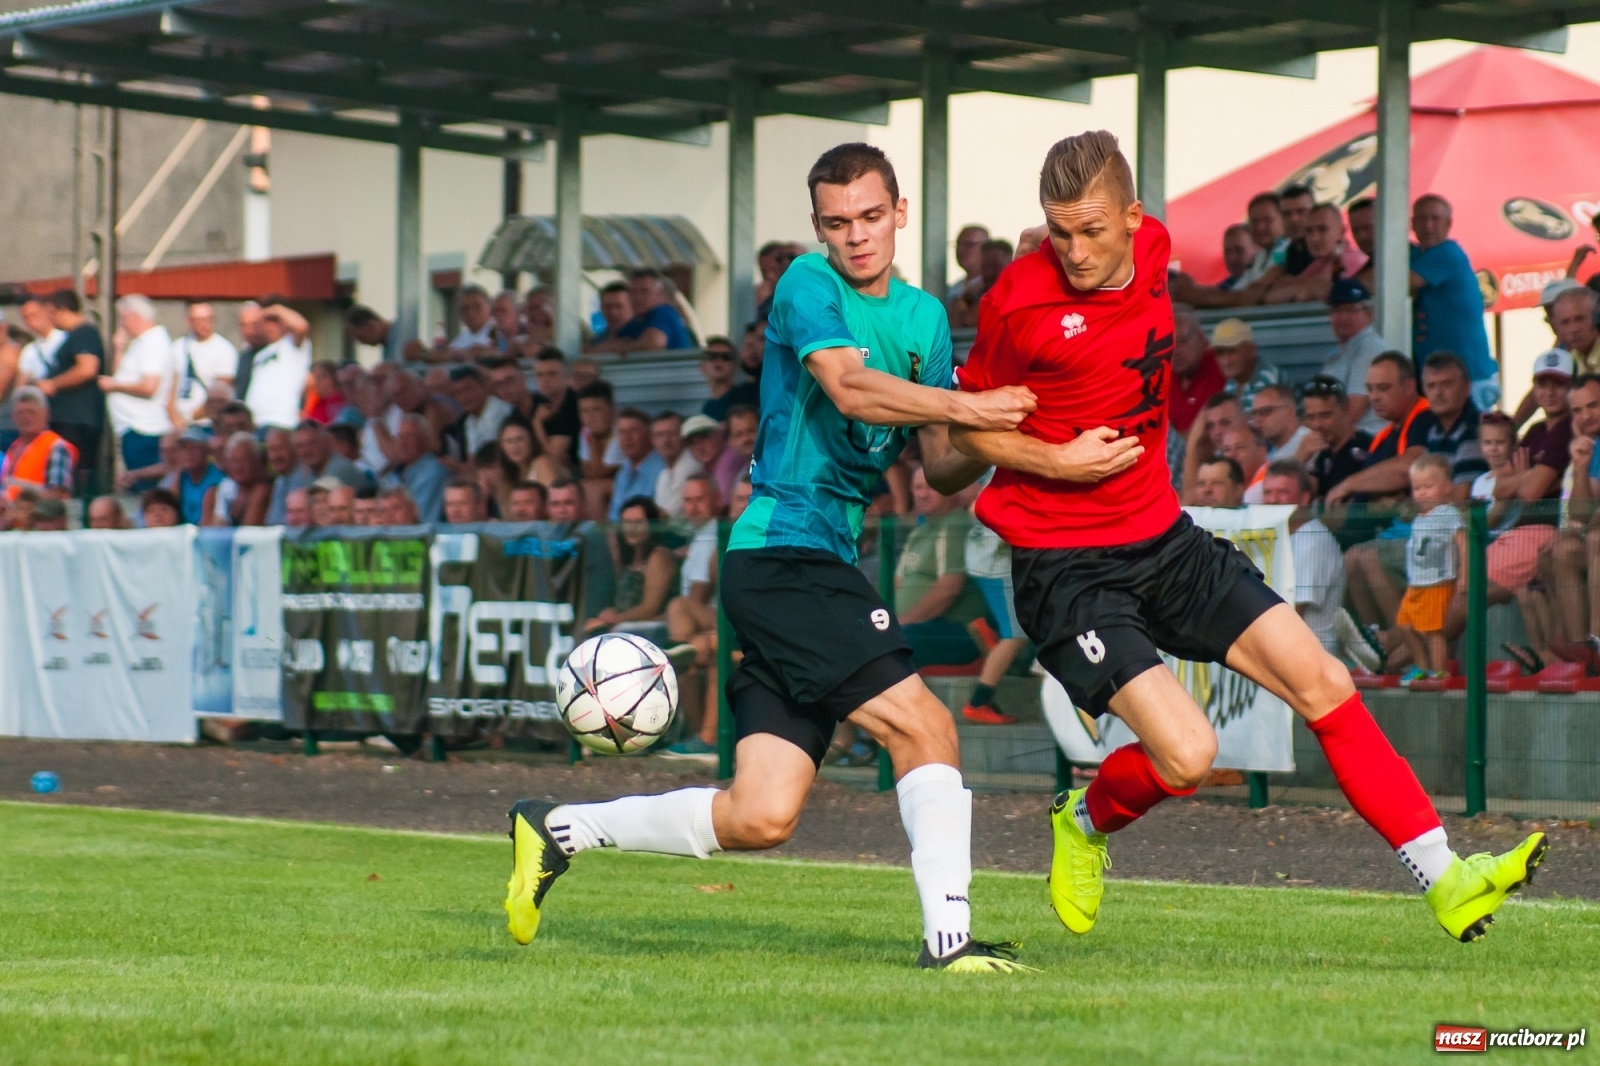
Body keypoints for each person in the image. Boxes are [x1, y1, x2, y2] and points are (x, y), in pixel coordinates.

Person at [946, 129, 1543, 945]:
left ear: (1134, 219)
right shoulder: (1019, 299)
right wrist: (1056, 456)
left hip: (1165, 539)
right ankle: (1083, 821)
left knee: (1325, 681)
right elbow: (962, 435)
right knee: (1190, 756)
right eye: (1058, 231)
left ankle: (1448, 878)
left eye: (1091, 230)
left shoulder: (1155, 251)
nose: (1075, 251)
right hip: (1066, 564)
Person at [504, 142, 1034, 973]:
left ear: (900, 213)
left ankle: (559, 828)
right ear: (818, 228)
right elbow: (850, 387)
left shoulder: (927, 318)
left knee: (761, 814)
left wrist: (994, 436)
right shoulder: (807, 285)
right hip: (782, 551)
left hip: (814, 560)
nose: (855, 235)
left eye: (869, 216)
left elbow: (938, 464)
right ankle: (949, 942)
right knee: (926, 726)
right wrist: (971, 401)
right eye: (836, 222)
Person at [894, 466, 991, 668]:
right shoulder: (919, 532)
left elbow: (949, 589)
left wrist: (899, 624)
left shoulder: (957, 524)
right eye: (917, 487)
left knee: (896, 643)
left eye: (931, 488)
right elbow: (896, 584)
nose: (922, 494)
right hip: (917, 627)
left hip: (958, 630)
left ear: (951, 489)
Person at [658, 474, 727, 760]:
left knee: (679, 608)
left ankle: (702, 737)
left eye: (700, 500)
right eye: (688, 500)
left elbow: (698, 596)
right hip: (717, 623)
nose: (693, 507)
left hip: (728, 623)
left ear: (715, 501)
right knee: (686, 648)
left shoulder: (715, 533)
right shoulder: (701, 535)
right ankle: (699, 737)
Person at [1260, 460, 1356, 663]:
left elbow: (1293, 613)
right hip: (1285, 652)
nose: (1273, 500)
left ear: (1304, 499)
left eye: (1282, 492)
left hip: (1312, 659)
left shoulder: (1311, 540)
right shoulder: (1278, 535)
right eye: (1267, 493)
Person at [1409, 195, 1498, 410]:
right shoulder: (1418, 255)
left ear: (1449, 224)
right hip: (1443, 380)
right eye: (1422, 219)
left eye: (1435, 219)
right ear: (1412, 224)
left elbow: (1394, 285)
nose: (1428, 225)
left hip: (1469, 378)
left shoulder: (1447, 253)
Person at [1394, 454, 1465, 685]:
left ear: (1446, 488)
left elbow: (1464, 545)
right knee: (1404, 625)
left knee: (1434, 630)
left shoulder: (1449, 514)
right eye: (1417, 488)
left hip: (1438, 581)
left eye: (1428, 486)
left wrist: (1464, 576)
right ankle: (1421, 666)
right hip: (1417, 583)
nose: (1422, 493)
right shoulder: (1419, 518)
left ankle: (1439, 671)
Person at [960, 497, 1030, 725]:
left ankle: (989, 632)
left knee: (1016, 625)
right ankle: (979, 702)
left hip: (984, 558)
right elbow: (975, 509)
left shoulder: (999, 467)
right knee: (1016, 636)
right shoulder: (1015, 468)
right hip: (995, 564)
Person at [99, 294, 176, 489]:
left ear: (133, 316)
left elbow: (149, 386)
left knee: (145, 488)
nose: (123, 325)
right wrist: (119, 349)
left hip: (144, 429)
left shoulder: (153, 343)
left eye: (123, 319)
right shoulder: (140, 343)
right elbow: (121, 376)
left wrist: (114, 386)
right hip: (132, 427)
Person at [582, 496, 678, 633]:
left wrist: (613, 619)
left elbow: (649, 609)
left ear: (652, 525)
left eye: (638, 522)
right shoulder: (630, 557)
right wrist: (612, 612)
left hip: (652, 630)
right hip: (626, 627)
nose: (631, 529)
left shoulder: (659, 557)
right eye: (627, 523)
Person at [38, 289, 105, 485]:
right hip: (67, 419)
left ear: (63, 309)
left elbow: (87, 368)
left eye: (51, 312)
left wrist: (53, 384)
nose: (49, 319)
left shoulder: (85, 333)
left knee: (75, 476)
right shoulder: (71, 336)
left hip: (77, 421)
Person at [1320, 278, 1389, 435]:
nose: (1343, 317)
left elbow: (1353, 411)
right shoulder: (1337, 354)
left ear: (1369, 314)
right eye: (1337, 310)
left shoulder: (1370, 347)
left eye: (1351, 310)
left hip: (1367, 440)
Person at [585, 269, 693, 353]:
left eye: (644, 291)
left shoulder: (663, 312)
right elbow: (608, 343)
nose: (638, 297)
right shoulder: (638, 323)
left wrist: (623, 348)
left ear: (660, 294)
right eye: (633, 292)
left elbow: (653, 343)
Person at [1300, 376, 1372, 502]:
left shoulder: (1363, 449)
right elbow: (1303, 495)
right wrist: (1299, 458)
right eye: (1311, 417)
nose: (1317, 425)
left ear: (1345, 410)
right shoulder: (1324, 453)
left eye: (1325, 415)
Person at [244, 303, 312, 430]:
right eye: (267, 322)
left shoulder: (293, 346)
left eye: (275, 321)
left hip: (282, 422)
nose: (270, 327)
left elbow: (301, 326)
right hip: (256, 424)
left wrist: (273, 309)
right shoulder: (260, 355)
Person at [1, 387, 76, 500]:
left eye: (31, 412)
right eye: (20, 413)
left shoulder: (56, 447)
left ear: (46, 413)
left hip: (39, 516)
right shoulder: (13, 448)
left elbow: (57, 497)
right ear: (13, 417)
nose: (26, 417)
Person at [171, 300, 239, 422]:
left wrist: (189, 418)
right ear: (188, 321)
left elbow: (220, 395)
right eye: (199, 320)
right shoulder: (178, 346)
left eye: (209, 319)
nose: (205, 324)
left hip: (205, 422)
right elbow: (171, 387)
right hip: (176, 420)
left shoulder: (224, 350)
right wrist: (174, 418)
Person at [380, 414, 449, 523]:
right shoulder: (392, 475)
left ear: (425, 440)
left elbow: (422, 519)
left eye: (409, 437)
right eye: (400, 437)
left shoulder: (434, 471)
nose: (403, 443)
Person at [1167, 305, 1222, 435]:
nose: (1175, 351)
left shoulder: (1221, 366)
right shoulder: (1161, 374)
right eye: (1168, 343)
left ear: (1202, 339)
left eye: (1182, 341)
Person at [606, 408, 665, 523]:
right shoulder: (622, 473)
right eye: (622, 432)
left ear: (649, 435)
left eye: (633, 431)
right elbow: (613, 518)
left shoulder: (661, 469)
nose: (627, 438)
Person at [203, 432, 273, 527]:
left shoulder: (262, 489)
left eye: (243, 460)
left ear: (256, 460)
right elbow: (208, 529)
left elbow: (248, 530)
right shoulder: (226, 488)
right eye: (233, 461)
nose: (238, 467)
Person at [1211, 318, 1278, 411]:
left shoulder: (1268, 379)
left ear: (1251, 350)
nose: (1226, 361)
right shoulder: (1231, 384)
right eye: (1219, 353)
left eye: (1232, 351)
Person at [651, 411, 703, 518]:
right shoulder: (663, 473)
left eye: (671, 433)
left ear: (683, 436)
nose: (666, 440)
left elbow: (665, 515)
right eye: (659, 435)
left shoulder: (691, 465)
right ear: (653, 440)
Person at [170, 426, 226, 525]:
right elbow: (171, 504)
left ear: (206, 451)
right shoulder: (182, 476)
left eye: (194, 448)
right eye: (184, 448)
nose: (188, 453)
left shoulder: (216, 478)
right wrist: (178, 472)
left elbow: (207, 521)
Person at [1247, 383, 1313, 463]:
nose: (1257, 420)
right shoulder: (1271, 453)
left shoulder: (1309, 443)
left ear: (1289, 412)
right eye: (1254, 414)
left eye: (1265, 411)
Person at [699, 336, 758, 422]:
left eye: (726, 357)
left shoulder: (746, 396)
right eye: (712, 356)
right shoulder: (707, 408)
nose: (719, 361)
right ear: (702, 367)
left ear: (735, 366)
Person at [588, 281, 634, 346]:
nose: (613, 312)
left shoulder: (644, 337)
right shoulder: (595, 343)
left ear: (633, 306)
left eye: (618, 306)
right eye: (607, 307)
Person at [1216, 223, 1255, 290]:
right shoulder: (1225, 287)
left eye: (1239, 250)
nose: (1232, 257)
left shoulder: (1266, 280)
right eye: (1227, 252)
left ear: (1256, 249)